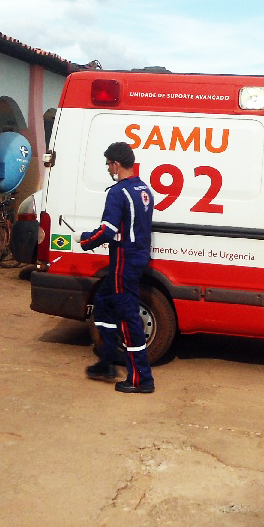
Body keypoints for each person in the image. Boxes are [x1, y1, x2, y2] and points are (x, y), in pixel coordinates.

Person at [80, 142, 156, 393]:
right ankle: (107, 361)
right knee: (104, 303)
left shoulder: (117, 192)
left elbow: (108, 231)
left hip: (124, 258)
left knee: (128, 317)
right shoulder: (144, 188)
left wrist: (87, 240)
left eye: (108, 164)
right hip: (136, 257)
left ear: (115, 163)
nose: (108, 168)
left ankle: (141, 379)